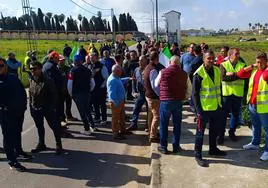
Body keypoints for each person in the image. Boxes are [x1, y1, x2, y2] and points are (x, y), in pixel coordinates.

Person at [192, 50, 226, 167]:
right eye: (209, 58)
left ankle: (213, 149)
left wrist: (220, 105)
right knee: (200, 133)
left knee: (214, 131)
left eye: (212, 58)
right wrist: (198, 111)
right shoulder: (199, 74)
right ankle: (198, 155)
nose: (211, 60)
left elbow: (219, 89)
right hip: (204, 109)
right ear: (203, 59)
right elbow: (194, 95)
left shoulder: (217, 70)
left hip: (216, 107)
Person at [236, 52, 268, 161]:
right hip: (252, 104)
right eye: (257, 62)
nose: (259, 64)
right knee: (255, 126)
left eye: (261, 62)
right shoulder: (254, 71)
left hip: (264, 107)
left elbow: (265, 76)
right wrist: (251, 66)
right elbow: (240, 74)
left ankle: (267, 150)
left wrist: (265, 67)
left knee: (267, 129)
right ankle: (255, 143)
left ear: (266, 62)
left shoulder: (266, 72)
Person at [155, 56, 188, 154]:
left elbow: (156, 84)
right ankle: (176, 146)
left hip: (165, 101)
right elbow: (189, 89)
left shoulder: (162, 72)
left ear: (169, 62)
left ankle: (163, 146)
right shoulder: (184, 74)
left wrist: (160, 94)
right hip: (178, 102)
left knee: (164, 124)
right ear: (178, 63)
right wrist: (184, 98)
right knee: (177, 125)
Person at [28, 61, 63, 154]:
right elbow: (31, 94)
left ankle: (58, 144)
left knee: (54, 126)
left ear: (40, 69)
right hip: (36, 109)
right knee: (39, 127)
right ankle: (41, 144)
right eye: (31, 69)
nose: (32, 71)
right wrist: (31, 107)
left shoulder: (48, 80)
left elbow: (54, 95)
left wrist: (51, 108)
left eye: (34, 69)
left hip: (47, 109)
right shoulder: (31, 79)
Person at [0, 57, 27, 171]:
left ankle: (19, 151)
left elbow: (22, 92)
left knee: (17, 133)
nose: (0, 68)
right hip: (5, 113)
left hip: (18, 112)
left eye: (1, 65)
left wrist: (24, 106)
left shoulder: (13, 78)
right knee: (8, 137)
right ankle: (12, 161)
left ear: (6, 65)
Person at [42, 51, 72, 138]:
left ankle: (60, 129)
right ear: (52, 58)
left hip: (56, 95)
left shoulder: (50, 66)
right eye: (57, 59)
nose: (58, 60)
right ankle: (59, 132)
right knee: (57, 114)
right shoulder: (50, 67)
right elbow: (52, 83)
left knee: (58, 114)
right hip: (55, 95)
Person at [219, 48, 246, 143]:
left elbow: (245, 76)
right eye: (236, 54)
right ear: (230, 55)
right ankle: (221, 135)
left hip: (238, 94)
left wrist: (233, 74)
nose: (238, 55)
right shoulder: (223, 64)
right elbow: (223, 78)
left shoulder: (242, 65)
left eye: (238, 54)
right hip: (227, 94)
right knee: (223, 116)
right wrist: (238, 75)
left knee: (235, 115)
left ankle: (232, 132)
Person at [68, 55, 96, 135]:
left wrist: (71, 94)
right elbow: (93, 83)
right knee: (87, 110)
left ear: (74, 61)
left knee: (82, 112)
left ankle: (87, 129)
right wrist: (89, 90)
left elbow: (69, 84)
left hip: (77, 94)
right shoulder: (88, 70)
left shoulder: (72, 71)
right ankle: (92, 126)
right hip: (87, 93)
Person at [143, 51, 165, 143]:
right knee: (157, 116)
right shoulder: (153, 69)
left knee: (151, 115)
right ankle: (153, 135)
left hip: (148, 95)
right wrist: (160, 95)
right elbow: (155, 86)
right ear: (157, 58)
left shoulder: (148, 67)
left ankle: (150, 131)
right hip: (153, 97)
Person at [107, 65, 131, 139]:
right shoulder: (112, 80)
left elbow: (120, 81)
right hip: (116, 102)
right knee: (115, 118)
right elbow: (112, 95)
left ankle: (123, 130)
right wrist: (117, 104)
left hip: (120, 101)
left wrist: (127, 79)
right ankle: (116, 133)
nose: (121, 73)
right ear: (116, 72)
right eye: (120, 72)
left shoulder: (116, 77)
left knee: (121, 117)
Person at [127, 55, 148, 131]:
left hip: (148, 93)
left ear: (146, 61)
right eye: (139, 60)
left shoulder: (149, 69)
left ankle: (148, 125)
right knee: (136, 108)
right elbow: (134, 80)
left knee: (149, 110)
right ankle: (133, 124)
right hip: (140, 93)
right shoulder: (136, 70)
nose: (140, 62)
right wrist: (133, 91)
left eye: (142, 60)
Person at [91, 52, 109, 125]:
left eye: (93, 57)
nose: (91, 58)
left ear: (97, 57)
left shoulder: (102, 66)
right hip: (94, 89)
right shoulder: (92, 66)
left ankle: (104, 119)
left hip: (101, 89)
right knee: (95, 104)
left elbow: (106, 77)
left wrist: (102, 86)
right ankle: (97, 117)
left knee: (102, 104)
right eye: (90, 57)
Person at [58, 55, 77, 123]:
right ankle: (62, 119)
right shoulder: (56, 70)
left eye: (63, 60)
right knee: (61, 106)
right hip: (60, 90)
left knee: (69, 103)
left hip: (68, 89)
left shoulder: (68, 68)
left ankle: (69, 116)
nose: (62, 62)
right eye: (61, 60)